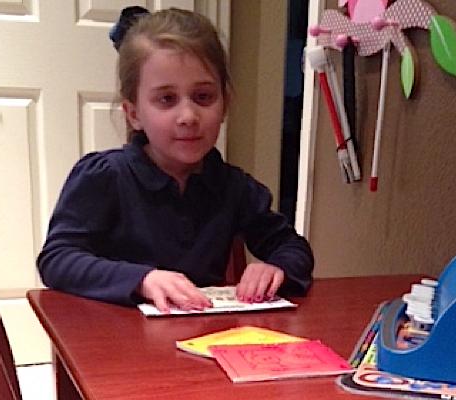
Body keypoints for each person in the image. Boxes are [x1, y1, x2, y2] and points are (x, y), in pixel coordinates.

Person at [37, 7, 314, 313]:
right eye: (167, 100)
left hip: (200, 340)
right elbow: (57, 259)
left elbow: (293, 247)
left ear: (224, 106)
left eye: (203, 97)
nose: (188, 116)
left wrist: (277, 267)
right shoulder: (104, 176)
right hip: (112, 343)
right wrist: (142, 279)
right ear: (134, 114)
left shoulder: (233, 186)